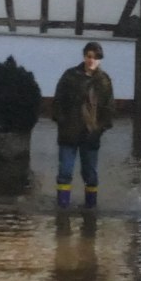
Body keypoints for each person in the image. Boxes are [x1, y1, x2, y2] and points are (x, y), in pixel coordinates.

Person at [51, 41, 114, 209]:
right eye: (89, 56)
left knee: (90, 175)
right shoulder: (70, 76)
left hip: (91, 135)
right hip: (69, 133)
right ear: (84, 56)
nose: (92, 60)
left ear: (100, 60)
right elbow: (58, 101)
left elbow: (108, 109)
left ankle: (90, 207)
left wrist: (100, 129)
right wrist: (62, 121)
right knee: (65, 172)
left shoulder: (104, 81)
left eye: (96, 57)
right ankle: (62, 207)